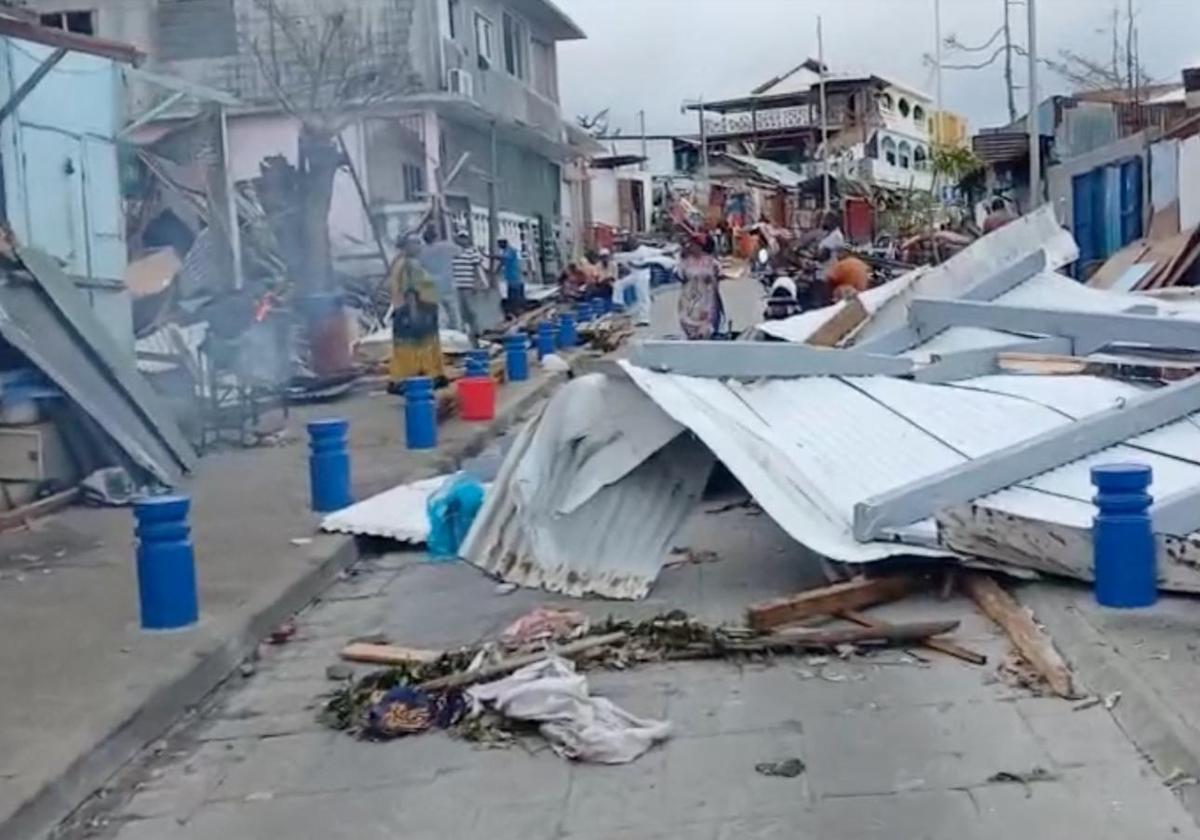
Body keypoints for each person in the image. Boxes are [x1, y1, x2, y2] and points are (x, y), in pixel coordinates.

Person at [388, 235, 444, 388]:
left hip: (418, 309)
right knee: (417, 346)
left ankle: (420, 376)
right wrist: (414, 314)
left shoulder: (403, 263)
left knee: (419, 345)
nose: (420, 246)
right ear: (406, 246)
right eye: (416, 243)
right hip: (417, 310)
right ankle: (415, 378)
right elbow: (410, 291)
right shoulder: (409, 265)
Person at [417, 225, 462, 332]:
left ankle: (440, 336)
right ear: (436, 236)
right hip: (447, 285)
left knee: (438, 317)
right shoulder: (447, 246)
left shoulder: (420, 252)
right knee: (454, 315)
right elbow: (459, 251)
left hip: (430, 288)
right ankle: (457, 334)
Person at [677, 234, 722, 339]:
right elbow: (680, 276)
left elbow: (718, 277)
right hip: (688, 299)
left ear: (701, 246)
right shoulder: (685, 262)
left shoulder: (712, 262)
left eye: (693, 244)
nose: (690, 246)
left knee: (705, 328)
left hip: (705, 300)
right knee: (686, 323)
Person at [451, 230, 486, 342]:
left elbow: (477, 269)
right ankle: (463, 333)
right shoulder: (453, 253)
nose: (462, 240)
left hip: (468, 285)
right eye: (460, 238)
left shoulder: (472, 252)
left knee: (471, 309)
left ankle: (476, 331)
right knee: (460, 311)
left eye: (464, 238)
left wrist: (477, 283)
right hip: (456, 285)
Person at [497, 238, 524, 317]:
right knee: (511, 298)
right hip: (510, 279)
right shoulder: (506, 251)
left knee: (515, 298)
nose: (499, 246)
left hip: (515, 278)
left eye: (499, 244)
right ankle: (513, 313)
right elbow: (502, 263)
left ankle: (517, 313)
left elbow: (502, 258)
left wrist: (487, 255)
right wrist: (495, 272)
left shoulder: (511, 250)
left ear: (504, 243)